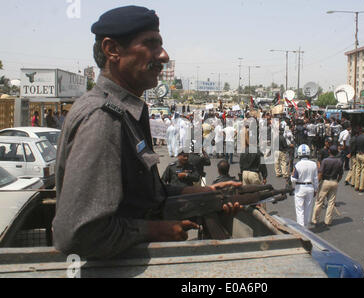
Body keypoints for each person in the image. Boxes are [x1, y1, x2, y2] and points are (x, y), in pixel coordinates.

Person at [52, 6, 241, 260]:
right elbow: (79, 234)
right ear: (112, 50)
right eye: (151, 44)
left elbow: (144, 197)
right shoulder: (102, 117)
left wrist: (207, 194)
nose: (163, 55)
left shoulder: (125, 112)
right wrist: (154, 230)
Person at [312, 145, 343, 227]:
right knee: (331, 202)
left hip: (325, 181)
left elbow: (320, 173)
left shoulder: (325, 161)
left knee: (319, 201)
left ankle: (315, 219)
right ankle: (328, 221)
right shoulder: (339, 161)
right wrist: (337, 181)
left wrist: (317, 183)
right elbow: (341, 174)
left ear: (329, 151)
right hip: (334, 181)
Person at [291, 144, 319, 229]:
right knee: (308, 208)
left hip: (300, 188)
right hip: (310, 187)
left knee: (300, 209)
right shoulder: (313, 164)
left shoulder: (297, 165)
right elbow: (316, 178)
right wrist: (315, 189)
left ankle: (301, 228)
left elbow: (293, 179)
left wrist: (291, 175)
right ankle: (306, 227)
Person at [354, 128, 364, 192]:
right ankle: (361, 187)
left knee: (357, 170)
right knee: (363, 171)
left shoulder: (358, 137)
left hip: (358, 154)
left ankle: (356, 185)